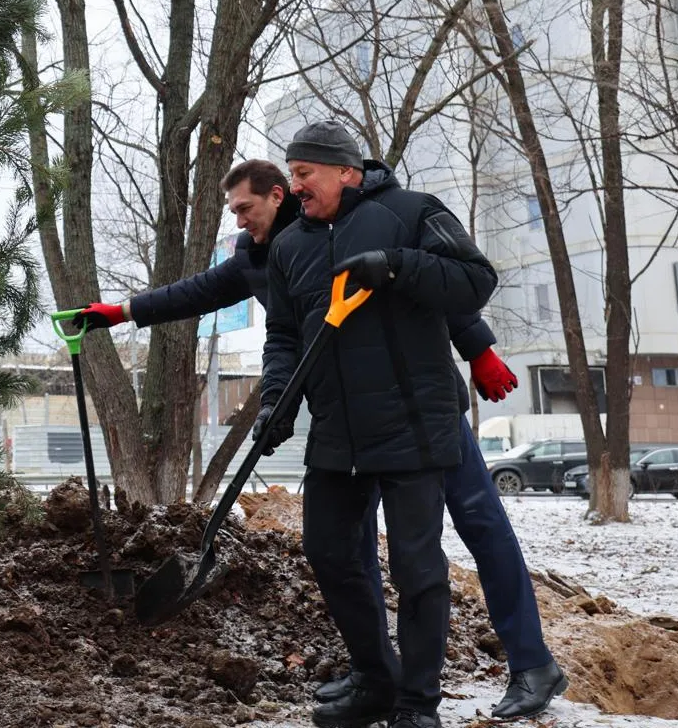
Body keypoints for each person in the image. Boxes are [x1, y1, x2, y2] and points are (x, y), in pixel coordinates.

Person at [70, 155, 565, 720]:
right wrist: (121, 312)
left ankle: (531, 662)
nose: (239, 222)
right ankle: (374, 672)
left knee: (477, 524)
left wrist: (478, 347)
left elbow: (420, 291)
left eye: (246, 209)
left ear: (279, 195)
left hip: (417, 412)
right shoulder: (261, 258)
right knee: (343, 549)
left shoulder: (361, 223)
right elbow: (196, 292)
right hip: (346, 421)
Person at [268, 121, 495, 728]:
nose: (294, 188)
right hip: (337, 431)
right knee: (329, 554)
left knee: (417, 568)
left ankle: (418, 705)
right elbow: (285, 338)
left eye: (303, 174)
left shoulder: (413, 212)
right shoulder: (291, 246)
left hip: (413, 425)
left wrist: (395, 265)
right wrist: (275, 405)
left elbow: (476, 279)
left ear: (346, 171)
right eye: (291, 176)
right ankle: (376, 680)